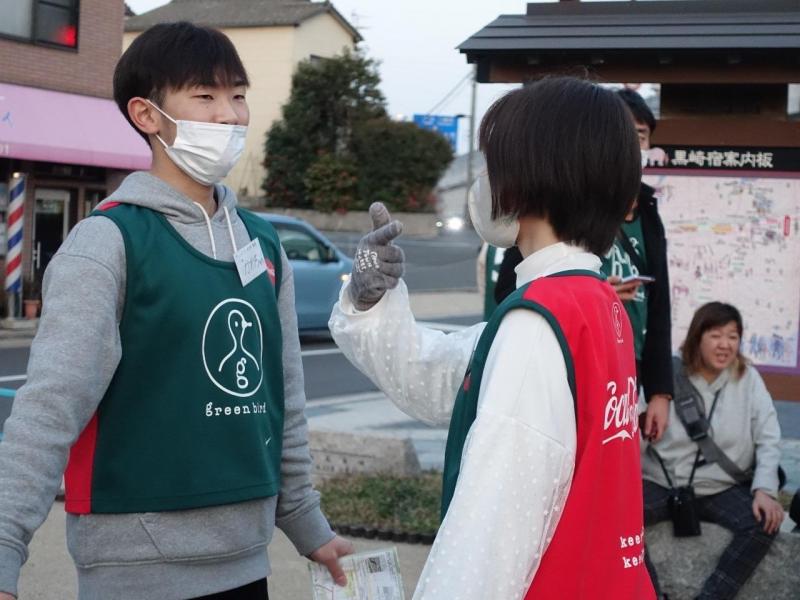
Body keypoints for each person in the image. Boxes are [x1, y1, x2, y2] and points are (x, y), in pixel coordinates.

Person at [0, 22, 351, 600]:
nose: (231, 115)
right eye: (205, 96)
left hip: (246, 564)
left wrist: (309, 527)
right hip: (134, 568)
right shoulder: (107, 242)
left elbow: (282, 400)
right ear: (147, 115)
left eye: (238, 95)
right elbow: (47, 412)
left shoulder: (262, 246)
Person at [330, 76, 655, 599]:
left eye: (492, 164)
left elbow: (486, 540)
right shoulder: (594, 301)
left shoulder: (536, 323)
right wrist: (370, 303)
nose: (484, 181)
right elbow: (449, 374)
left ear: (529, 179)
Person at [493, 88, 674, 444]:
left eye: (641, 136)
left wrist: (660, 391)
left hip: (625, 368)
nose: (633, 147)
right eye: (625, 133)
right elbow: (513, 288)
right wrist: (600, 295)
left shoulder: (649, 213)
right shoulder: (561, 205)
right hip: (573, 362)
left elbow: (660, 305)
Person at [641, 302, 783, 600]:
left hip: (719, 486)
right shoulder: (665, 373)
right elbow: (633, 431)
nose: (725, 345)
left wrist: (765, 490)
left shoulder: (749, 379)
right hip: (660, 481)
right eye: (716, 335)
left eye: (733, 336)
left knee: (763, 523)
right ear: (697, 337)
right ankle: (649, 595)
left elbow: (768, 438)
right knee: (617, 521)